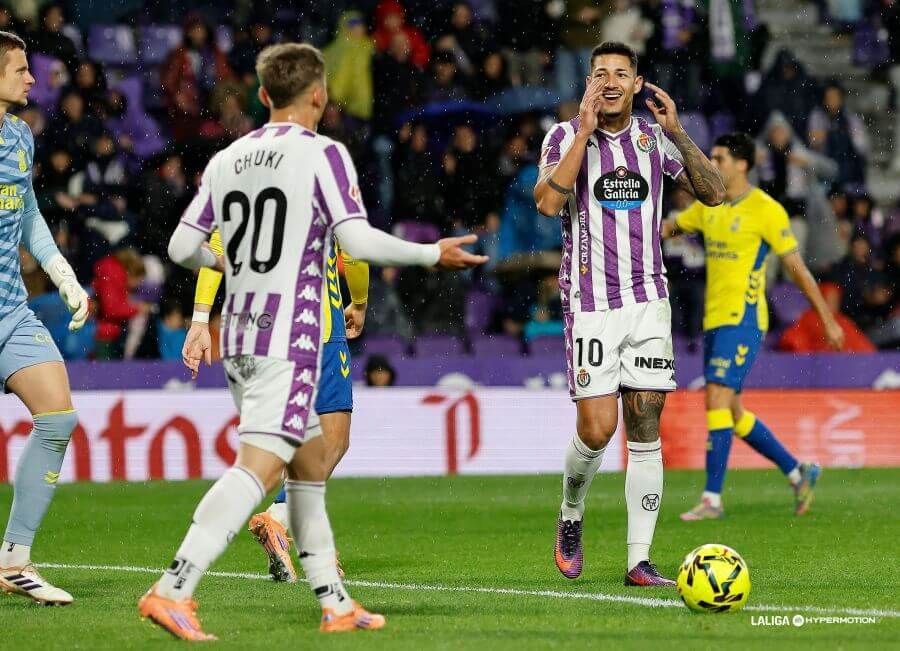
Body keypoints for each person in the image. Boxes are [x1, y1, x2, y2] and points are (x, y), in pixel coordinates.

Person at [139, 42, 486, 641]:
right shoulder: (324, 155)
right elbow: (357, 238)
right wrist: (432, 252)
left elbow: (180, 248)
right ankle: (173, 590)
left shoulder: (227, 159)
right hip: (290, 339)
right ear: (320, 96)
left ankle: (335, 602)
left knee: (306, 472)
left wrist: (240, 265)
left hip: (241, 339)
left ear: (265, 95)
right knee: (257, 469)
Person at [533, 41, 725, 586]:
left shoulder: (653, 139)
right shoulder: (564, 136)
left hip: (648, 302)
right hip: (591, 304)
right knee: (598, 429)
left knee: (644, 419)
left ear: (637, 83)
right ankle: (571, 514)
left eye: (621, 73)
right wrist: (586, 129)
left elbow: (713, 195)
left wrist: (680, 133)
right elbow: (548, 204)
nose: (611, 81)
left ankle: (638, 560)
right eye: (601, 73)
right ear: (589, 83)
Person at [662, 133, 844, 521]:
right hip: (714, 321)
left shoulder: (766, 210)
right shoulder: (709, 205)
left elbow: (796, 269)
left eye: (720, 157)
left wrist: (827, 318)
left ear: (742, 164)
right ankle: (799, 472)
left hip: (743, 321)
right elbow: (669, 228)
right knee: (733, 411)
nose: (713, 163)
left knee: (715, 399)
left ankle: (712, 498)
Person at [182, 226, 370, 583]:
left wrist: (200, 318)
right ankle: (281, 517)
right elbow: (354, 252)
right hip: (317, 329)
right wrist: (359, 302)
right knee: (332, 439)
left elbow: (217, 248)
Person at [0, 31, 90, 605]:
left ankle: (14, 561)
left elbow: (29, 210)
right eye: (20, 69)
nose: (33, 79)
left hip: (10, 309)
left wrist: (62, 274)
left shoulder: (19, 137)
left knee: (58, 418)